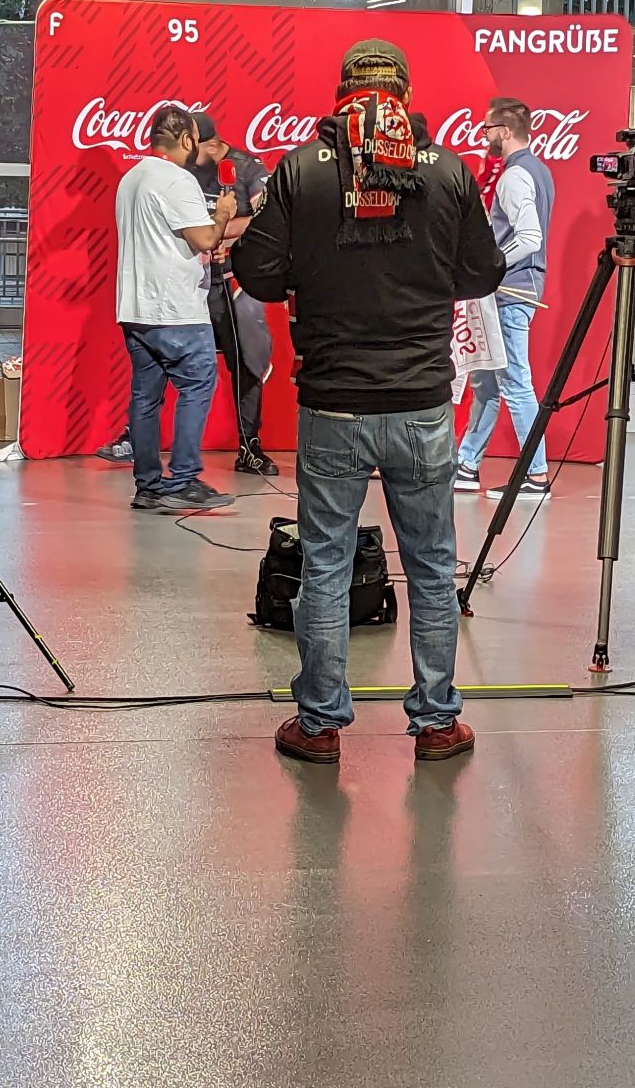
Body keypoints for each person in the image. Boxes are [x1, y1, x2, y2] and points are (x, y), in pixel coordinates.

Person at [234, 39, 505, 765]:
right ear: (406, 95)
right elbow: (483, 270)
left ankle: (319, 725)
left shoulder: (301, 171)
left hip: (334, 404)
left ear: (341, 93)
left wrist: (309, 265)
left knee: (323, 564)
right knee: (429, 565)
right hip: (421, 402)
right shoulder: (446, 170)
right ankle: (438, 721)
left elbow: (255, 273)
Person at [113, 103, 238, 513]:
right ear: (186, 139)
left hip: (134, 308)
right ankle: (183, 478)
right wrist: (220, 217)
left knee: (145, 398)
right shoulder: (176, 180)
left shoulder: (130, 179)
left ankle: (148, 486)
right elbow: (203, 240)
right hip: (176, 310)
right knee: (199, 384)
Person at [456, 96, 555, 500]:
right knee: (486, 381)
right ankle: (466, 465)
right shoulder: (539, 170)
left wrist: (492, 264)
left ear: (505, 132)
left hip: (511, 291)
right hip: (514, 290)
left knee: (514, 382)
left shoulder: (515, 176)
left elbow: (530, 237)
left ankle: (536, 475)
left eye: (487, 129)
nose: (484, 136)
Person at [189, 111, 279, 478]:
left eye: (191, 148)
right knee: (171, 357)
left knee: (246, 364)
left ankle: (249, 446)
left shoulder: (246, 168)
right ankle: (139, 438)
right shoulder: (181, 171)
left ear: (211, 144)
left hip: (236, 284)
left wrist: (219, 231)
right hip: (190, 282)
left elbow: (267, 215)